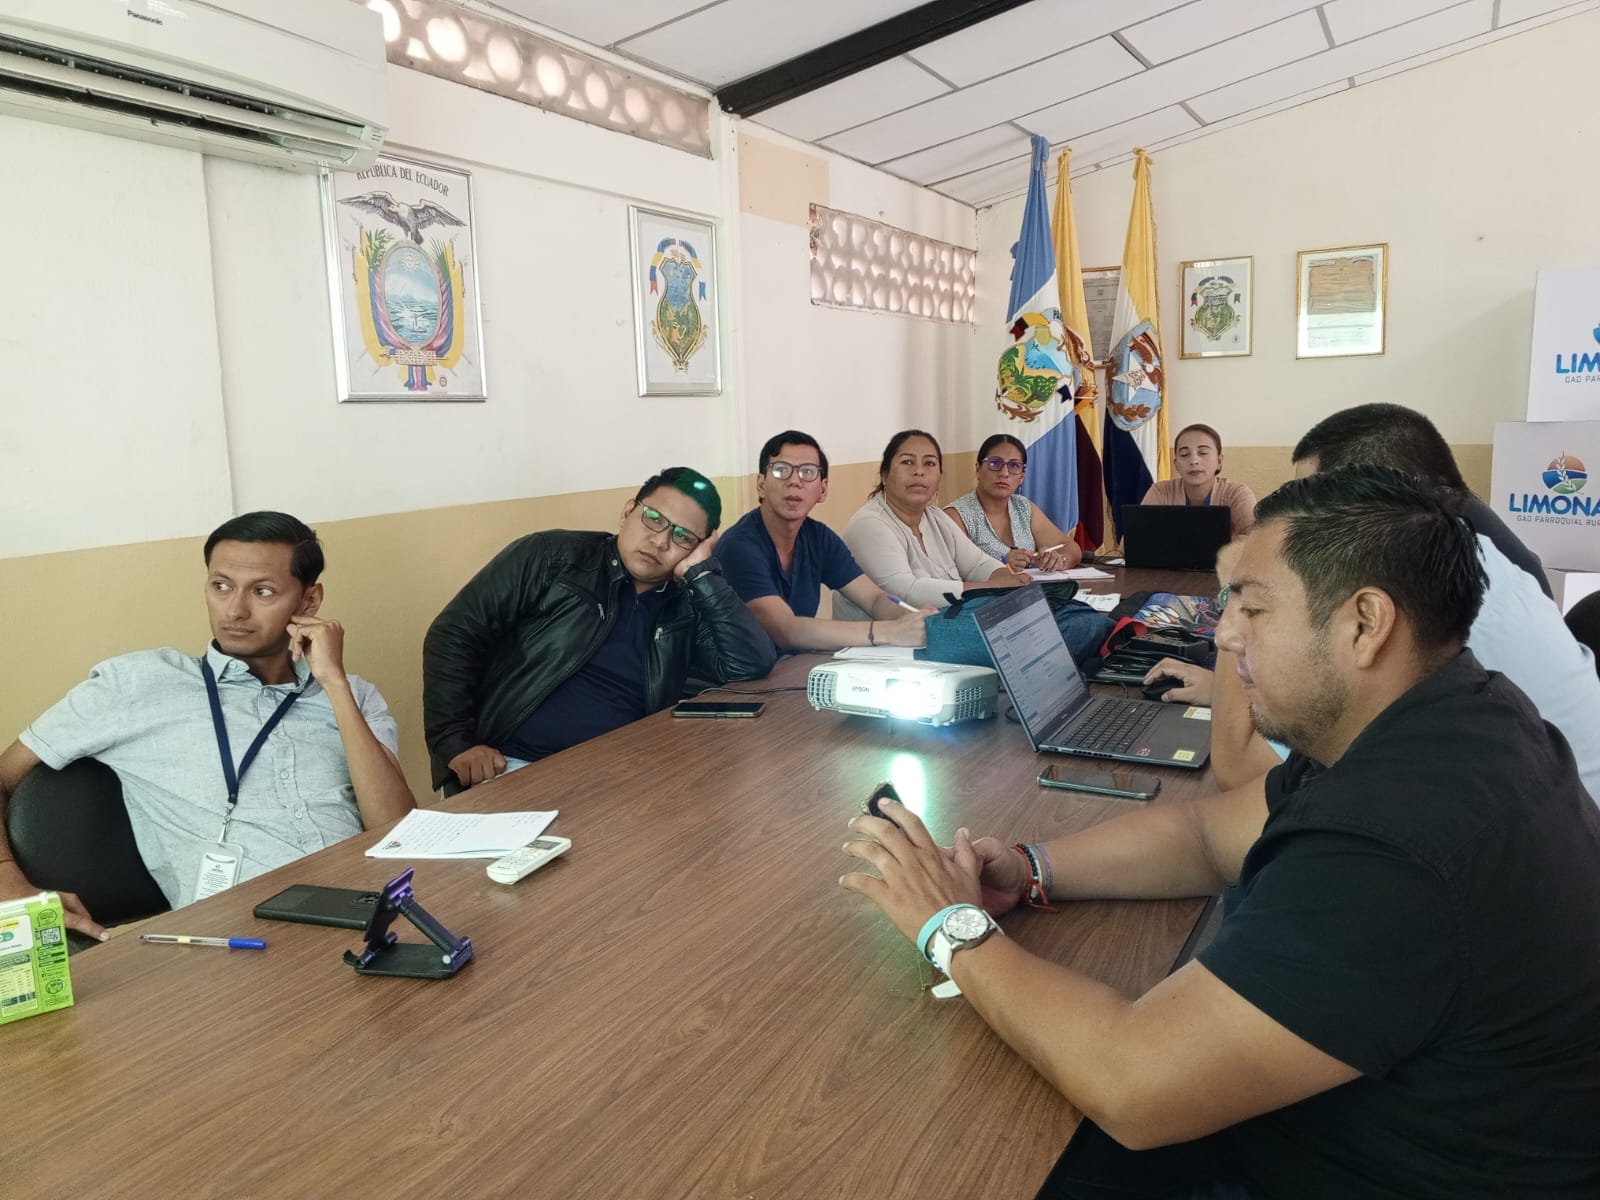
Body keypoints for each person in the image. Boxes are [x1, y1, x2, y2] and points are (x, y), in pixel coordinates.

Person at [842, 467, 1600, 1199]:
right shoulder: (1453, 714)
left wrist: (951, 927)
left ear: (1365, 624)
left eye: (1253, 607)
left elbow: (1133, 1082)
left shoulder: (1400, 839)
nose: (1227, 634)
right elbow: (1208, 836)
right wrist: (1028, 866)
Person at [1144, 403, 1600, 801]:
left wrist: (1241, 587)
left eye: (1319, 505)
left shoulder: (1414, 592)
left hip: (1551, 854)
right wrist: (1229, 688)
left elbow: (1241, 770)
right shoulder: (1477, 552)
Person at [0, 512, 416, 938]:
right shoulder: (138, 684)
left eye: (262, 591)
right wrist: (6, 880)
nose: (235, 610)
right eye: (221, 586)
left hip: (381, 912)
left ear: (309, 602)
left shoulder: (354, 695)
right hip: (250, 939)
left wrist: (334, 683)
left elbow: (399, 833)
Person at [423, 467, 776, 792]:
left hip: (626, 776)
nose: (660, 542)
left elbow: (751, 663)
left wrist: (702, 574)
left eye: (682, 536)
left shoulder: (686, 602)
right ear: (628, 510)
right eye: (654, 519)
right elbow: (454, 634)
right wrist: (455, 743)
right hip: (516, 765)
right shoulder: (552, 558)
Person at [837, 429, 1109, 664]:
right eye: (907, 462)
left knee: (1072, 617)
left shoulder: (935, 518)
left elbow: (978, 563)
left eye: (929, 463)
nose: (919, 471)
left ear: (939, 476)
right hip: (901, 642)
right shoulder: (870, 524)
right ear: (885, 474)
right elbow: (906, 591)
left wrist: (1007, 580)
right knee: (1066, 630)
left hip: (949, 622)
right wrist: (992, 590)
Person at [717, 430, 931, 652]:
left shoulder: (819, 537)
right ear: (761, 484)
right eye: (781, 470)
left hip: (794, 663)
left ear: (823, 489)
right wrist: (890, 632)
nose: (794, 481)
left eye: (807, 472)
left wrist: (911, 617)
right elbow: (786, 631)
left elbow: (874, 598)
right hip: (744, 671)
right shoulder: (739, 547)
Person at [943, 433, 1084, 573]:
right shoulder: (956, 515)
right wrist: (1001, 566)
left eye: (1014, 465)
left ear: (1022, 477)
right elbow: (949, 571)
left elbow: (1071, 548)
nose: (1004, 473)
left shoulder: (1023, 507)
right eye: (994, 463)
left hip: (1032, 587)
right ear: (978, 469)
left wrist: (1057, 560)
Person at [1141, 424, 1255, 536]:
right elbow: (1137, 537)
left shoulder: (1236, 493)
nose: (1193, 461)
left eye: (1203, 452)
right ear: (1176, 464)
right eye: (1184, 454)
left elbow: (1256, 539)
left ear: (1219, 461)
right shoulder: (1161, 491)